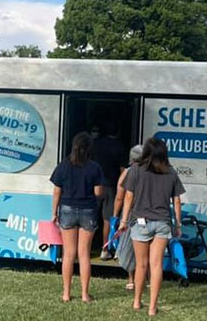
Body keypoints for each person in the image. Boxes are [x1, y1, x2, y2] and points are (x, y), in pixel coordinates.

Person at [118, 137, 185, 317]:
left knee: (141, 265)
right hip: (163, 223)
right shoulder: (170, 172)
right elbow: (177, 200)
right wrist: (178, 223)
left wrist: (123, 221)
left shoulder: (135, 170)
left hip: (140, 222)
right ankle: (152, 307)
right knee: (156, 266)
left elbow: (128, 197)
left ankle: (137, 301)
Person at [50, 132, 106, 303]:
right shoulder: (94, 167)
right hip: (88, 210)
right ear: (89, 148)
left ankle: (66, 294)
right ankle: (84, 294)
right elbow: (98, 192)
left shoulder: (64, 165)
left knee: (68, 254)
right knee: (84, 254)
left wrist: (54, 213)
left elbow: (57, 191)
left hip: (66, 209)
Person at [93, 120, 127, 260]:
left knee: (90, 217)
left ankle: (84, 247)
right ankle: (105, 249)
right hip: (111, 187)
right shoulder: (120, 147)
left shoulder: (96, 144)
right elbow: (123, 171)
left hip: (94, 186)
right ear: (118, 132)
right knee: (108, 219)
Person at [113, 144, 143, 290]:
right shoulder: (152, 171)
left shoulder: (128, 172)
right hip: (148, 213)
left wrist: (115, 215)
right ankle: (146, 277)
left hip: (131, 213)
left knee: (128, 245)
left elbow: (120, 196)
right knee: (146, 246)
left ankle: (131, 278)